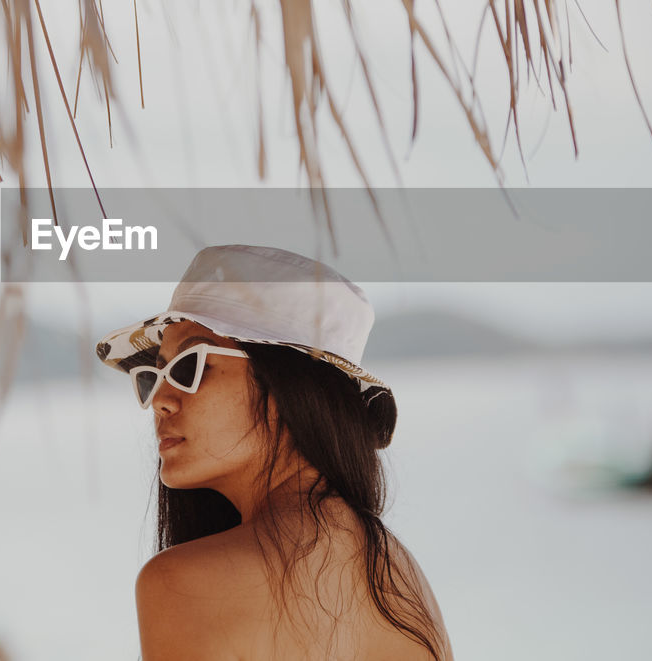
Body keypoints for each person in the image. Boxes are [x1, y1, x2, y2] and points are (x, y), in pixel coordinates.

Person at [95, 245, 453, 660]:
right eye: (154, 375)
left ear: (289, 386)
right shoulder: (404, 580)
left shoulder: (183, 582)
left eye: (190, 365)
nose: (161, 399)